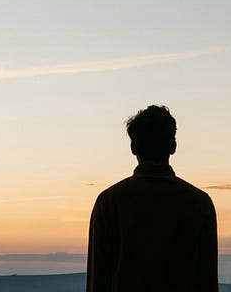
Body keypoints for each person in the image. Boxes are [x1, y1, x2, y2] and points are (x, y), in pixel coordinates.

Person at [87, 105, 218, 291]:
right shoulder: (200, 204)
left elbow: (98, 279)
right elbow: (207, 280)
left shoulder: (108, 202)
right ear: (173, 146)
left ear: (133, 147)